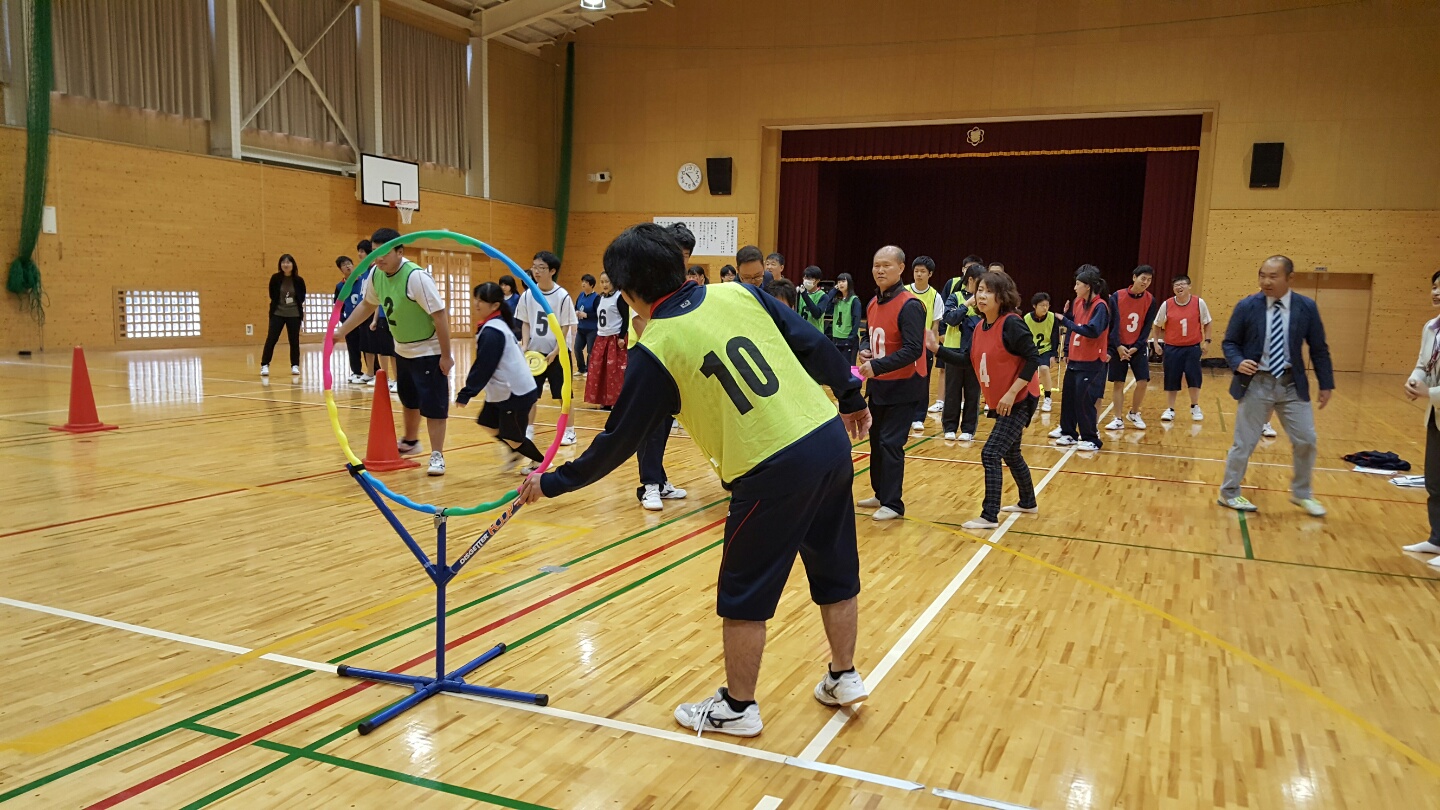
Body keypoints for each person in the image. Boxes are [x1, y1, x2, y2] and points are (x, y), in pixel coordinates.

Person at [516, 222, 873, 737]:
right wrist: (852, 395)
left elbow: (616, 443)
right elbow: (812, 343)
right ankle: (843, 675)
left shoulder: (656, 347)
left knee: (744, 593)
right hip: (827, 439)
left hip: (770, 467)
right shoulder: (739, 294)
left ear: (628, 293)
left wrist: (551, 482)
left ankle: (738, 707)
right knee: (834, 566)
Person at [1217, 255, 1333, 516]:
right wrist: (1238, 361)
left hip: (1292, 384)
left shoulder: (1306, 307)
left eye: (1272, 276)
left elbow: (1319, 348)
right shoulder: (1247, 306)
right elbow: (1230, 342)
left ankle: (1302, 494)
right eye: (1262, 276)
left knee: (1307, 440)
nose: (1266, 282)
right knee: (1244, 443)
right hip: (1256, 383)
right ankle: (1229, 493)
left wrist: (1326, 384)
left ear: (1290, 278)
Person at [335, 228, 454, 476]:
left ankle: (437, 454)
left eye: (384, 252)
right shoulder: (375, 274)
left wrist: (446, 355)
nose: (378, 258)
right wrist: (341, 331)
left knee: (434, 405)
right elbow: (367, 305)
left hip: (428, 350)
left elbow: (440, 315)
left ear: (400, 251)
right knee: (409, 399)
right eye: (374, 252)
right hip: (402, 349)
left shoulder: (416, 277)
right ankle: (411, 441)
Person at [931, 272, 1041, 529]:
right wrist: (937, 349)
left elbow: (1033, 358)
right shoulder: (980, 327)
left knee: (990, 453)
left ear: (1002, 296)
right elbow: (966, 360)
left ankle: (989, 515)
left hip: (1021, 398)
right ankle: (1028, 502)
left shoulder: (1012, 324)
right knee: (1011, 453)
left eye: (988, 291)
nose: (981, 296)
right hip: (1002, 401)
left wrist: (1011, 393)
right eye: (979, 290)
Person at [857, 246, 928, 520]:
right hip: (879, 386)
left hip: (904, 386)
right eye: (876, 265)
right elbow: (868, 335)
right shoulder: (873, 303)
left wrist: (876, 366)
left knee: (890, 442)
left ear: (901, 268)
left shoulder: (910, 305)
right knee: (876, 441)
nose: (880, 270)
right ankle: (880, 494)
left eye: (886, 265)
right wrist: (865, 349)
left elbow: (913, 349)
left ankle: (894, 504)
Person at [630, 223, 695, 511]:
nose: (682, 261)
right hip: (649, 358)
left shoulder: (679, 285)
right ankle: (649, 486)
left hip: (672, 362)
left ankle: (660, 480)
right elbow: (639, 321)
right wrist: (662, 354)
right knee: (650, 426)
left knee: (664, 423)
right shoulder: (646, 281)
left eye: (686, 256)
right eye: (678, 254)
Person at [456, 283, 545, 475]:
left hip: (515, 392)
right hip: (502, 390)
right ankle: (515, 451)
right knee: (487, 423)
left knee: (514, 437)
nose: (476, 303)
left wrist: (467, 393)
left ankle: (541, 463)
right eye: (476, 298)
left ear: (495, 305)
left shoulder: (493, 331)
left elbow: (484, 366)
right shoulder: (493, 325)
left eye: (481, 300)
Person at [517, 250, 579, 447]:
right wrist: (525, 345)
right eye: (534, 267)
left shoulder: (562, 296)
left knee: (564, 394)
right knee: (530, 395)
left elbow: (565, 325)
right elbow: (526, 322)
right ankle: (528, 430)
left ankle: (570, 431)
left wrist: (556, 351)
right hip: (534, 354)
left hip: (558, 353)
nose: (536, 271)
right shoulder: (528, 295)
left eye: (541, 268)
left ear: (552, 271)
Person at [1402, 270, 1440, 567]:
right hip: (1436, 415)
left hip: (1436, 401)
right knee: (1435, 480)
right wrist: (1415, 381)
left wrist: (1432, 393)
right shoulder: (1431, 327)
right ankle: (1437, 538)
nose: (1436, 292)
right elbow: (1423, 364)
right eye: (1435, 287)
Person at [1053, 265, 1110, 452]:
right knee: (1069, 397)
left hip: (1091, 361)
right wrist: (1068, 316)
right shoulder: (1078, 302)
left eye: (1078, 284)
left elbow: (1092, 331)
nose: (1075, 288)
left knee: (1084, 400)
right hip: (1075, 358)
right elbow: (1075, 323)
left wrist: (1066, 321)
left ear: (1088, 286)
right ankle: (1068, 433)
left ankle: (1091, 438)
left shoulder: (1100, 306)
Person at [1150, 275, 1212, 423]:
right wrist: (1156, 343)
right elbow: (1157, 324)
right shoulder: (1167, 304)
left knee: (1194, 377)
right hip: (1172, 348)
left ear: (1189, 286)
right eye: (1176, 285)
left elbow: (1207, 322)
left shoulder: (1199, 303)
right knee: (1171, 378)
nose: (1179, 287)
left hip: (1192, 347)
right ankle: (1170, 409)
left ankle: (1195, 406)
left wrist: (1207, 341)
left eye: (1183, 284)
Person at [1105, 265, 1159, 431]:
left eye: (1149, 280)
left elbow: (1147, 326)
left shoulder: (1151, 300)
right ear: (1134, 277)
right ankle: (1117, 418)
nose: (1146, 282)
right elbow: (1112, 324)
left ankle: (1134, 413)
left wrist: (1137, 346)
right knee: (1118, 383)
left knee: (1143, 381)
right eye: (1143, 278)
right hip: (1118, 346)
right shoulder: (1117, 296)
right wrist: (1118, 346)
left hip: (1138, 347)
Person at [938, 262, 985, 441]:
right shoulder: (955, 297)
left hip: (975, 351)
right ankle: (949, 427)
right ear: (970, 280)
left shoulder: (983, 300)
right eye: (979, 282)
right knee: (952, 391)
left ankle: (968, 429)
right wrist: (966, 305)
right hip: (954, 350)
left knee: (973, 392)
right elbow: (950, 319)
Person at [585, 270, 629, 410]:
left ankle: (616, 400)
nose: (604, 285)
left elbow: (626, 318)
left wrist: (622, 337)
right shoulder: (600, 298)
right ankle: (604, 399)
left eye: (607, 282)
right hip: (601, 338)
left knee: (614, 372)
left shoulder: (619, 297)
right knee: (599, 370)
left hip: (615, 338)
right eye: (602, 282)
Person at [907, 256, 942, 431]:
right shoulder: (904, 291)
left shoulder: (935, 296)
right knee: (904, 381)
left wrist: (932, 346)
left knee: (922, 381)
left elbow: (935, 325)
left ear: (930, 274)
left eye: (922, 271)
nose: (919, 274)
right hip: (904, 345)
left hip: (923, 347)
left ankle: (918, 417)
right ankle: (904, 415)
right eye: (916, 271)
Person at [359, 238, 397, 392]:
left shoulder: (409, 275)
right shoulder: (372, 274)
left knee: (394, 351)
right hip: (381, 317)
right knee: (383, 350)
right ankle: (384, 377)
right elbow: (372, 302)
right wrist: (375, 320)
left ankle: (398, 379)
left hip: (394, 319)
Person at [261, 253, 305, 377]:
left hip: (294, 314)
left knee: (294, 340)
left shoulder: (299, 280)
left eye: (288, 262)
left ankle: (295, 365)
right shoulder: (275, 278)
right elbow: (272, 294)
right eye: (283, 262)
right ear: (280, 265)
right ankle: (265, 365)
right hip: (278, 313)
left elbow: (302, 296)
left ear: (293, 264)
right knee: (272, 339)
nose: (286, 264)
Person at [1025, 293, 1062, 413]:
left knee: (1044, 369)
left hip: (1046, 349)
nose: (1045, 308)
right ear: (1034, 306)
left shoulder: (1052, 317)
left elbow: (1055, 337)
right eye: (1042, 305)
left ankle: (1047, 397)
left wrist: (1054, 354)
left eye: (1047, 305)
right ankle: (1032, 398)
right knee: (1030, 373)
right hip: (1031, 350)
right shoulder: (1027, 318)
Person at [335, 256, 367, 384]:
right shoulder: (340, 286)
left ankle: (374, 372)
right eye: (344, 265)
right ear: (340, 269)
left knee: (368, 347)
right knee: (352, 348)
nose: (347, 266)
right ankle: (356, 372)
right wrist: (343, 320)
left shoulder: (363, 281)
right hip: (350, 322)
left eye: (349, 263)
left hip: (364, 320)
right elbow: (338, 305)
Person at [825, 272, 862, 364]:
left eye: (843, 281)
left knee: (850, 366)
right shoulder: (837, 300)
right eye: (839, 282)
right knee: (837, 365)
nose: (840, 284)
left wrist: (851, 338)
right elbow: (826, 308)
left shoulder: (854, 300)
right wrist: (833, 290)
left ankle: (854, 373)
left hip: (848, 339)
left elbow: (856, 321)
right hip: (836, 337)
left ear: (849, 283)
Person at [574, 273, 600, 376]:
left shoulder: (596, 298)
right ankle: (581, 369)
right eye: (583, 282)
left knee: (590, 351)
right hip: (581, 328)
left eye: (586, 282)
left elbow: (599, 313)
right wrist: (576, 312)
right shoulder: (581, 295)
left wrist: (587, 315)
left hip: (592, 329)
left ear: (592, 285)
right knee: (577, 348)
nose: (583, 284)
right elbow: (576, 307)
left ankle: (590, 370)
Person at [795, 266, 828, 332]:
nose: (806, 280)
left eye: (809, 278)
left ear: (817, 280)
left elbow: (817, 314)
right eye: (805, 278)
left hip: (815, 332)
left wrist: (804, 295)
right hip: (800, 331)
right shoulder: (799, 293)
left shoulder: (823, 296)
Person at [498, 274, 523, 340]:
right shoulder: (498, 298)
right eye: (501, 285)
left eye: (506, 285)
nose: (503, 287)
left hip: (514, 329)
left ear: (511, 286)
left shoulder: (517, 298)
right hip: (501, 328)